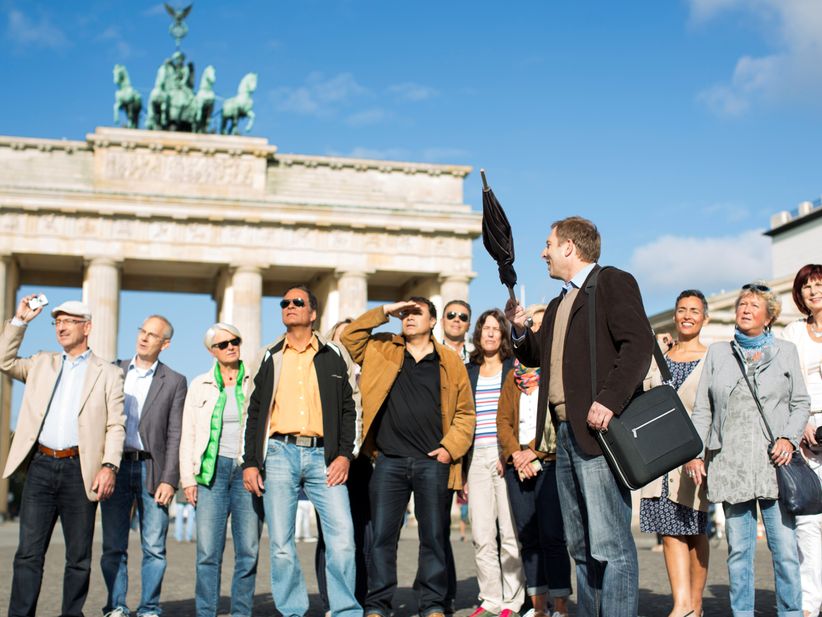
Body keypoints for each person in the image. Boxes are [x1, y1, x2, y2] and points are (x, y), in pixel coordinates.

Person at [505, 216, 653, 617]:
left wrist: (610, 399)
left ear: (569, 247)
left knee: (610, 545)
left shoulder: (611, 282)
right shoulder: (558, 303)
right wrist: (518, 331)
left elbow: (638, 344)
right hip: (564, 435)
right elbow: (536, 356)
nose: (543, 253)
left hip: (598, 432)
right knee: (580, 545)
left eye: (548, 244)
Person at [341, 297, 475, 617]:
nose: (409, 317)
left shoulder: (449, 360)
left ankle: (432, 604)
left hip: (433, 462)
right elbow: (350, 337)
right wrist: (385, 311)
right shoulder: (383, 348)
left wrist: (450, 449)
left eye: (417, 313)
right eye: (406, 313)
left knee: (433, 537)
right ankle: (377, 604)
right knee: (383, 539)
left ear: (433, 321)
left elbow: (465, 413)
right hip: (389, 460)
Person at [686, 282, 810, 617]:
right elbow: (703, 409)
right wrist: (696, 453)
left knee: (784, 550)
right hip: (731, 463)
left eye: (754, 305)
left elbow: (800, 403)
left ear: (769, 316)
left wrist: (788, 438)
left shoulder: (786, 351)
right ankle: (742, 613)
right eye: (742, 303)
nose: (745, 309)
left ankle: (791, 613)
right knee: (739, 551)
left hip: (775, 465)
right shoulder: (718, 353)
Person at [1, 297, 125, 617]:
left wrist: (109, 466)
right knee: (28, 554)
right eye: (57, 321)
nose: (61, 327)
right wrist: (20, 321)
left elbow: (115, 425)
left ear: (87, 327)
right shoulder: (41, 362)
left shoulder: (109, 373)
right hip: (40, 466)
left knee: (78, 558)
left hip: (80, 470)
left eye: (69, 321)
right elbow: (4, 359)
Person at [242, 286, 361, 617]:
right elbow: (253, 412)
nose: (289, 306)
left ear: (313, 313)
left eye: (297, 302)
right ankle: (292, 611)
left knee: (342, 538)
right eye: (285, 303)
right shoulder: (267, 355)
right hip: (279, 453)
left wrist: (345, 455)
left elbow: (352, 407)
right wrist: (249, 462)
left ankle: (345, 611)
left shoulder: (335, 353)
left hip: (325, 456)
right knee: (281, 543)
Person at [101, 315, 187, 617]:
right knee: (113, 545)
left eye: (152, 334)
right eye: (142, 331)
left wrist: (169, 479)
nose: (144, 337)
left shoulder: (175, 381)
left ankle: (149, 607)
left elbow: (175, 433)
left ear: (165, 344)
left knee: (154, 547)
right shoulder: (113, 370)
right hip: (116, 467)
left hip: (153, 469)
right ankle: (116, 606)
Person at [179, 322, 264, 617]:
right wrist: (187, 479)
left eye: (234, 341)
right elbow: (188, 434)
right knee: (207, 552)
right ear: (212, 351)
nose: (231, 347)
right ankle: (206, 611)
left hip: (246, 471)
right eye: (223, 344)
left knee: (248, 550)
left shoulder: (256, 380)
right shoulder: (199, 385)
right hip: (210, 473)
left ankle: (241, 612)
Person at [639, 291, 711, 617]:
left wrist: (703, 452)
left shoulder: (712, 358)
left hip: (697, 454)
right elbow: (644, 393)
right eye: (682, 310)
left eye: (694, 310)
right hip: (661, 455)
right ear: (674, 316)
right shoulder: (661, 356)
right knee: (669, 529)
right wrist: (655, 351)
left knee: (694, 529)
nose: (687, 316)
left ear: (705, 318)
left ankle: (695, 605)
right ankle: (681, 605)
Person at [497, 305, 571, 617]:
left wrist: (533, 451)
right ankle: (538, 607)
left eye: (542, 324)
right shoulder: (513, 375)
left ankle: (561, 606)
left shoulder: (557, 371)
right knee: (527, 537)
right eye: (532, 324)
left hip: (549, 462)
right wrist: (516, 453)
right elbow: (503, 421)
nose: (536, 329)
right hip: (518, 466)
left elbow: (556, 420)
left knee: (552, 535)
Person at [464, 308, 525, 617]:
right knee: (481, 534)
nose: (489, 333)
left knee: (510, 534)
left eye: (495, 329)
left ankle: (513, 601)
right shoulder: (468, 371)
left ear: (503, 335)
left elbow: (521, 414)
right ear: (478, 334)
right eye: (485, 328)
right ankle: (490, 599)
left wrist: (509, 452)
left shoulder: (513, 368)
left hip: (504, 456)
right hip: (475, 457)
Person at [315, 317, 372, 610]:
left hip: (364, 464)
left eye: (353, 338)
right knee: (331, 535)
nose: (347, 345)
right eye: (341, 339)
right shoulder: (323, 371)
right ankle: (330, 600)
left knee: (363, 534)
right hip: (330, 460)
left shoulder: (370, 373)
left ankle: (358, 598)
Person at [780, 264, 822, 617]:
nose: (813, 291)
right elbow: (786, 383)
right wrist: (802, 423)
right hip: (805, 432)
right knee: (808, 522)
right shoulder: (793, 332)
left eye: (819, 284)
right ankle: (808, 605)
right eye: (806, 286)